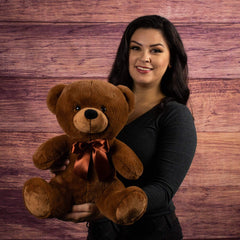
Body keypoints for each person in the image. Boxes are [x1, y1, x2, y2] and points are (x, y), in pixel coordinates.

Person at [54, 15, 197, 240]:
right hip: (102, 234)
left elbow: (163, 189)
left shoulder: (175, 115)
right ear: (126, 54)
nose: (144, 57)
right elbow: (92, 164)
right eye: (136, 48)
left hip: (152, 234)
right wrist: (68, 172)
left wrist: (106, 207)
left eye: (156, 50)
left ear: (171, 60)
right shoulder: (103, 111)